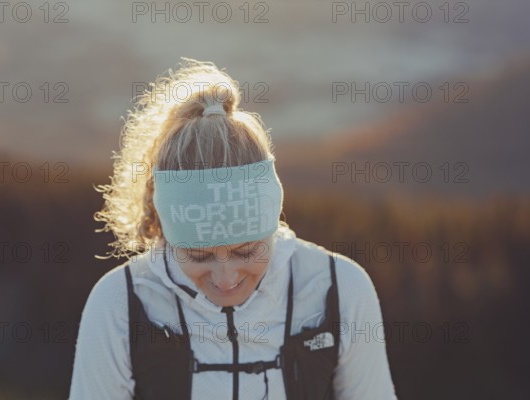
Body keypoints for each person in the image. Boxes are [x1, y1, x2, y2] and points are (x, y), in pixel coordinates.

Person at [69, 58, 398, 399]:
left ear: (273, 222)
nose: (226, 279)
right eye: (199, 255)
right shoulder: (121, 303)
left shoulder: (339, 289)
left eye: (247, 251)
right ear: (165, 233)